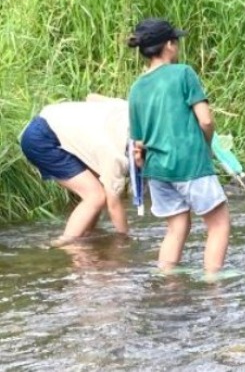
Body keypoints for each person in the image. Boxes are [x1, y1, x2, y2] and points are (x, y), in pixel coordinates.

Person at [127, 18, 230, 277]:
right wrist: (205, 145)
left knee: (176, 227)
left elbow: (137, 142)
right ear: (170, 45)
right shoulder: (184, 73)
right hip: (189, 163)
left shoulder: (136, 88)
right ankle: (213, 283)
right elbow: (206, 120)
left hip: (156, 169)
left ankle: (167, 282)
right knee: (218, 224)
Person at [18, 94, 131, 246]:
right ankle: (66, 245)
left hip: (50, 120)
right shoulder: (115, 155)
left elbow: (91, 97)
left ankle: (85, 235)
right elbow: (114, 204)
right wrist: (125, 239)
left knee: (97, 187)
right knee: (95, 196)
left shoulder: (127, 108)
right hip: (42, 139)